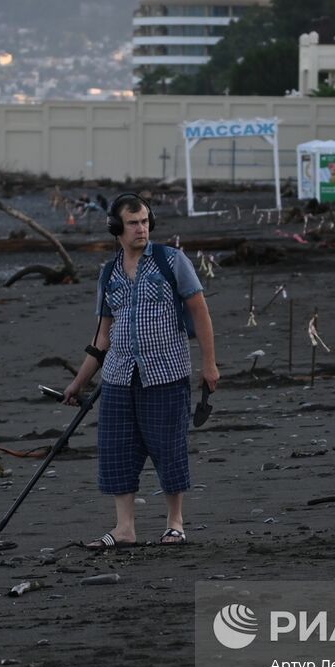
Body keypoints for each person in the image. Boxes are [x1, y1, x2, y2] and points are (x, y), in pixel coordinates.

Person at [63, 192, 218, 547]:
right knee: (118, 451)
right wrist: (78, 382)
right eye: (133, 223)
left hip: (166, 372)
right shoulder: (108, 273)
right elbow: (102, 338)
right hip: (118, 376)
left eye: (145, 221)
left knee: (169, 449)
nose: (141, 229)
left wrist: (210, 364)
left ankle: (175, 523)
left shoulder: (171, 261)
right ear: (117, 228)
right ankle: (124, 529)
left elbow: (200, 313)